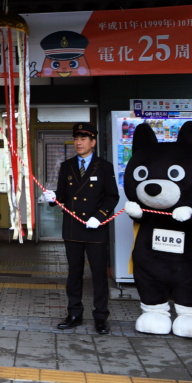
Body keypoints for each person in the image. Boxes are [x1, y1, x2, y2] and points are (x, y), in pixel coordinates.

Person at [43, 122, 119, 335]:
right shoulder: (66, 166)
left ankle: (101, 316)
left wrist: (99, 217)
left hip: (95, 228)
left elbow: (112, 196)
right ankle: (74, 313)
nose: (79, 142)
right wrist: (52, 198)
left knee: (98, 275)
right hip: (74, 228)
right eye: (76, 138)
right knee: (74, 273)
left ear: (93, 142)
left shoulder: (104, 166)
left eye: (84, 139)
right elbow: (63, 194)